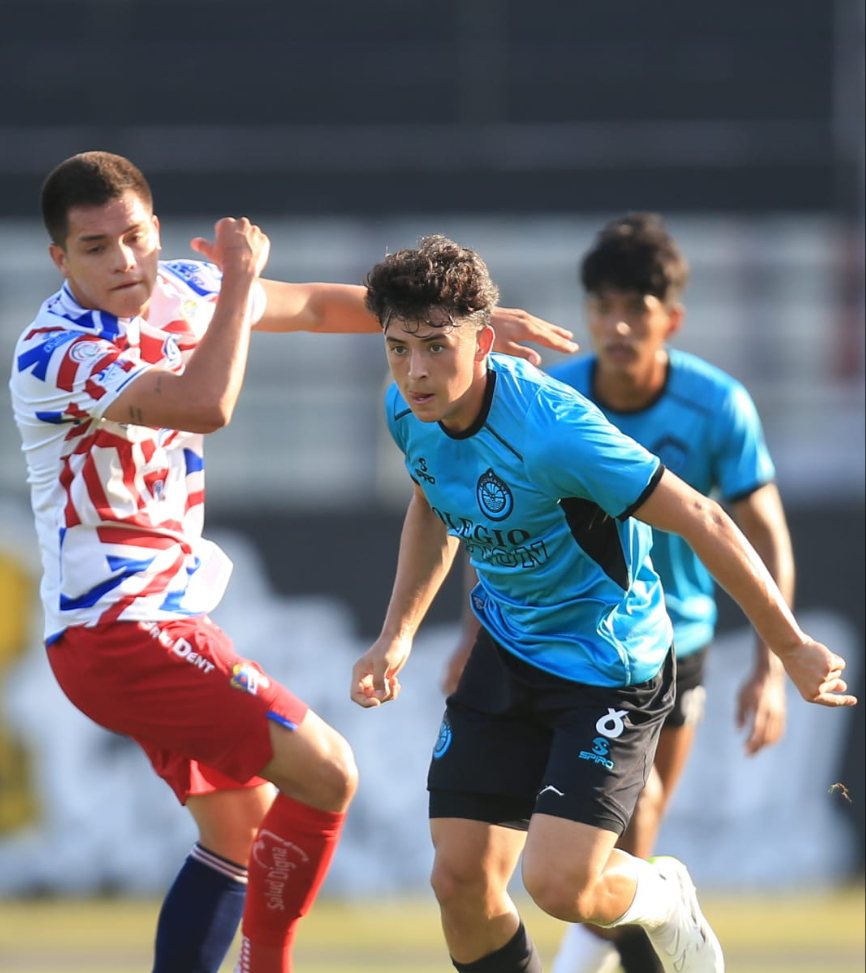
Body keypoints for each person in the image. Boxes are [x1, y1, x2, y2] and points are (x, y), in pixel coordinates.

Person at [7, 152, 577, 973]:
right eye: (96, 248)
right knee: (329, 772)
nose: (125, 261)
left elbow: (312, 307)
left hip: (157, 619)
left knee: (238, 831)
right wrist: (239, 280)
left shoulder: (182, 290)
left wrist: (463, 319)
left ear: (157, 230)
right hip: (116, 628)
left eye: (134, 237)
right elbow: (208, 402)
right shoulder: (53, 351)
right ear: (60, 260)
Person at [349, 234, 856, 973]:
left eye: (435, 345)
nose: (417, 370)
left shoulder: (558, 432)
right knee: (458, 881)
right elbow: (432, 503)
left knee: (559, 882)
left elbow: (707, 518)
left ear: (484, 340)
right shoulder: (406, 407)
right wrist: (398, 634)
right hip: (507, 646)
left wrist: (790, 646)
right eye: (398, 348)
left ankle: (663, 897)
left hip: (606, 663)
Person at [445, 212, 796, 973]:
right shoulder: (555, 398)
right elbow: (480, 500)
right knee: (570, 856)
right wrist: (470, 630)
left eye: (635, 308)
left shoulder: (716, 405)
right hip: (553, 637)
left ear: (669, 318)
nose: (617, 323)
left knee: (632, 830)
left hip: (671, 640)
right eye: (602, 305)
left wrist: (773, 662)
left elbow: (762, 532)